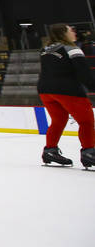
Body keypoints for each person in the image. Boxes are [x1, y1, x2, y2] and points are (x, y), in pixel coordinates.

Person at [37, 23, 95, 168]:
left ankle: (50, 150)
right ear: (64, 33)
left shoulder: (45, 50)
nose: (74, 32)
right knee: (86, 121)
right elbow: (84, 73)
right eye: (71, 30)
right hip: (68, 91)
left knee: (58, 120)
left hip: (45, 90)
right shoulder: (72, 49)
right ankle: (89, 152)